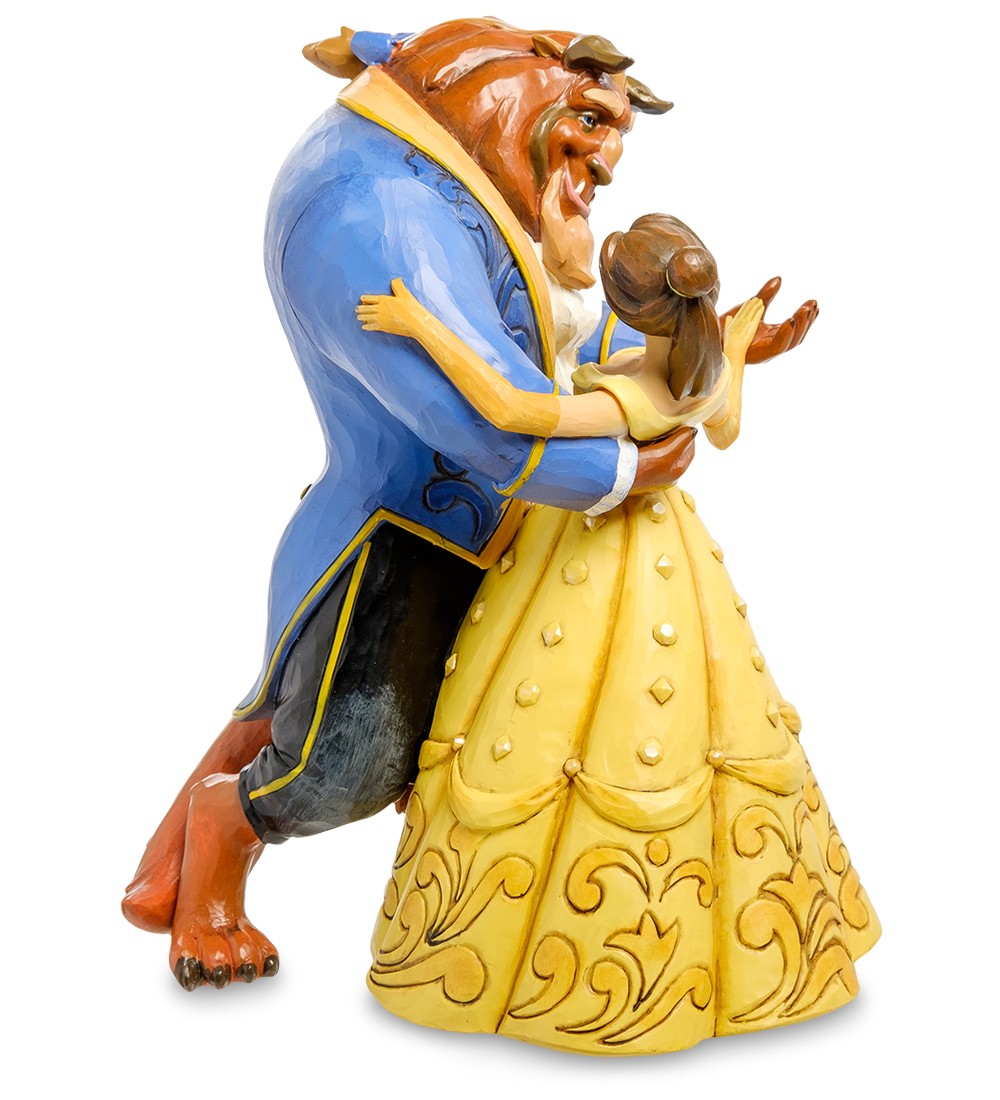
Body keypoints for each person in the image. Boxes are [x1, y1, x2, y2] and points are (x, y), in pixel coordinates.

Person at [121, 20, 818, 991]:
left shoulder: (484, 178)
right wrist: (634, 466)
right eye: (591, 124)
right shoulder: (379, 207)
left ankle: (197, 876)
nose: (605, 163)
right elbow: (491, 423)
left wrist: (712, 348)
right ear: (521, 92)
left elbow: (567, 339)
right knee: (344, 766)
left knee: (483, 737)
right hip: (401, 541)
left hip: (516, 541)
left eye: (614, 133)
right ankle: (218, 835)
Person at [360, 215, 880, 1055]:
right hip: (672, 545)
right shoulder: (694, 373)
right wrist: (737, 342)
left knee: (565, 711)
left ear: (636, 312)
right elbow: (726, 428)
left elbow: (514, 407)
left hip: (592, 551)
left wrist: (421, 325)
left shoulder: (628, 397)